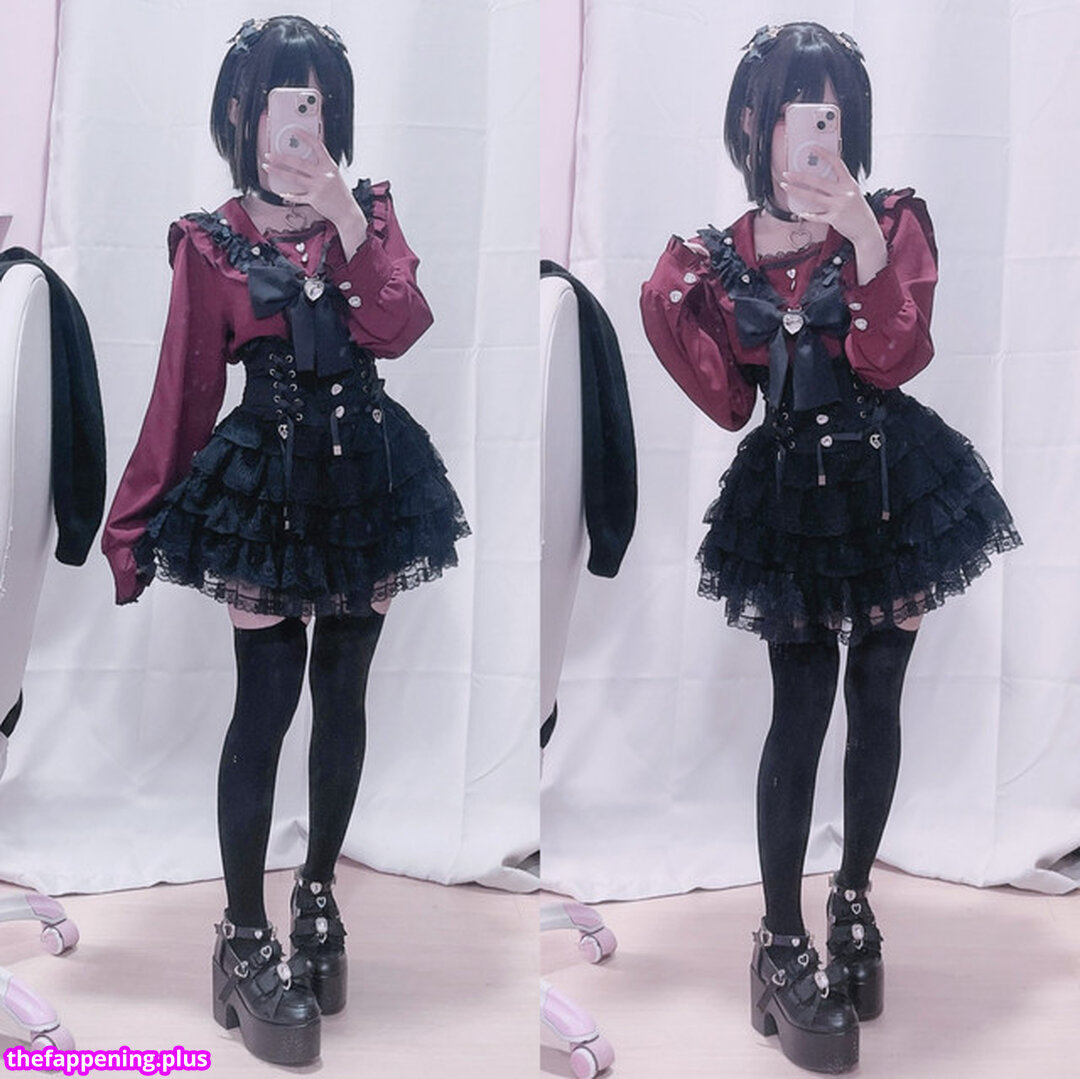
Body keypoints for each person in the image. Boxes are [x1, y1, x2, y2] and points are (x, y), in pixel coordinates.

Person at [640, 22, 1019, 1074]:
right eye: (793, 111)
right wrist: (665, 304)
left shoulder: (891, 221)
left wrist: (862, 238)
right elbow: (729, 402)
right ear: (752, 123)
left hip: (893, 482)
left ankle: (852, 895)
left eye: (833, 111)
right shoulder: (715, 256)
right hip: (791, 499)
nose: (814, 129)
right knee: (799, 711)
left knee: (879, 698)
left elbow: (895, 357)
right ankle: (778, 939)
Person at [102, 15, 469, 1066]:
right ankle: (241, 931)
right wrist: (134, 526)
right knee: (264, 705)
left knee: (344, 696)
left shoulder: (367, 214)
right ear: (241, 112)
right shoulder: (212, 240)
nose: (303, 118)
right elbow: (184, 385)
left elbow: (400, 324)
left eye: (318, 99)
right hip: (264, 483)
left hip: (367, 479)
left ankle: (315, 891)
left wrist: (347, 215)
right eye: (283, 98)